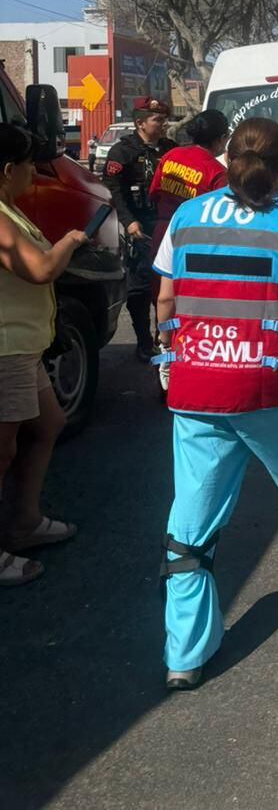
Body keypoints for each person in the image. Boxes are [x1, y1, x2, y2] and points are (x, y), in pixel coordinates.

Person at [152, 117, 278, 690]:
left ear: (228, 157)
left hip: (200, 388)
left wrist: (167, 358)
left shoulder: (186, 216)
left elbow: (166, 298)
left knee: (190, 524)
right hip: (276, 385)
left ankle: (184, 654)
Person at [0, 124, 87, 587]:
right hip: (5, 349)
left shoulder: (8, 209)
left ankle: (25, 522)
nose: (34, 172)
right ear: (8, 169)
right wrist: (71, 241)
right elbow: (39, 270)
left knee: (49, 425)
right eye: (29, 165)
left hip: (23, 345)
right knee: (2, 450)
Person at [103, 97, 175, 362]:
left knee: (168, 283)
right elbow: (113, 188)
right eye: (157, 120)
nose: (163, 124)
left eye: (163, 119)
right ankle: (144, 341)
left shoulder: (170, 149)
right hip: (139, 226)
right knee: (141, 285)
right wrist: (128, 220)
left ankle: (164, 337)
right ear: (140, 123)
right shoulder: (123, 152)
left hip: (166, 223)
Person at [148, 109, 230, 262]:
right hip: (195, 241)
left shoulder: (171, 155)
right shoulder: (218, 172)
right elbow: (222, 219)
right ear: (222, 138)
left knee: (159, 284)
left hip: (162, 234)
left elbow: (153, 193)